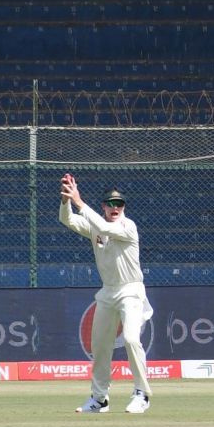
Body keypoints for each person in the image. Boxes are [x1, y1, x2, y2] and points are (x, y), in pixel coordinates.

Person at [60, 175, 152, 414]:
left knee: (131, 338)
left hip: (131, 290)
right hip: (108, 291)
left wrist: (80, 202)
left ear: (123, 207)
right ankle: (99, 399)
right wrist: (66, 199)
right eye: (110, 204)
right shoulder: (95, 225)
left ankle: (142, 393)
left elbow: (104, 228)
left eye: (119, 204)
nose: (114, 208)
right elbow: (66, 219)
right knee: (99, 346)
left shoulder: (127, 226)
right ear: (103, 206)